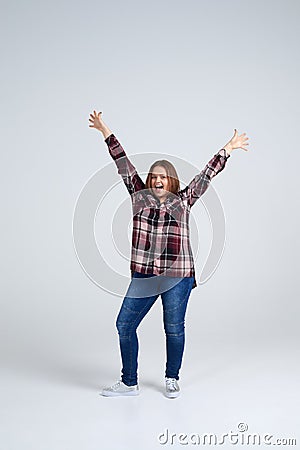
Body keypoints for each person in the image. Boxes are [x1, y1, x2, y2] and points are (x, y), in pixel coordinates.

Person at [88, 110, 249, 398]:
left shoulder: (184, 200)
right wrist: (105, 131)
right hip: (144, 277)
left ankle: (172, 377)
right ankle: (129, 382)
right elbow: (122, 164)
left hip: (177, 277)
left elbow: (206, 174)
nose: (158, 180)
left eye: (163, 176)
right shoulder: (139, 195)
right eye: (154, 176)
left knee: (173, 329)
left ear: (171, 181)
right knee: (124, 324)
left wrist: (228, 147)